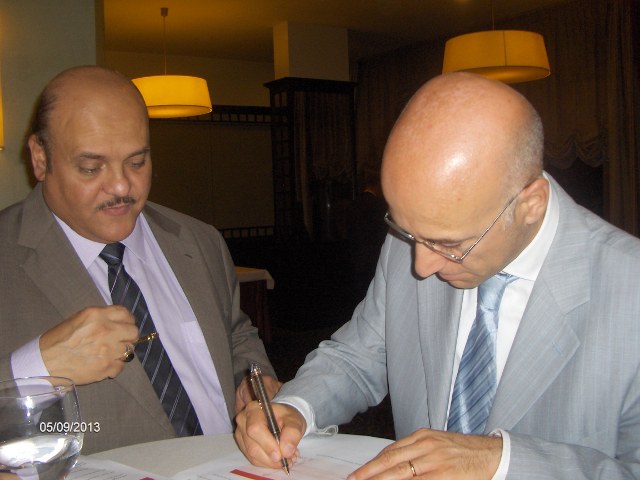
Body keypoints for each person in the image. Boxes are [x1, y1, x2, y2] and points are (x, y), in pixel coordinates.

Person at [235, 72, 640, 479]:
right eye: (407, 229)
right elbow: (360, 356)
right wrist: (296, 407)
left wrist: (501, 462)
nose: (421, 266)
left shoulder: (629, 289)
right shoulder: (412, 243)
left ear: (531, 204)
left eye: (448, 243)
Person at [0, 66, 279, 454]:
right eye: (91, 167)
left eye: (137, 162)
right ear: (40, 158)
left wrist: (254, 381)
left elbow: (235, 334)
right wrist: (36, 366)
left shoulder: (200, 241)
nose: (121, 187)